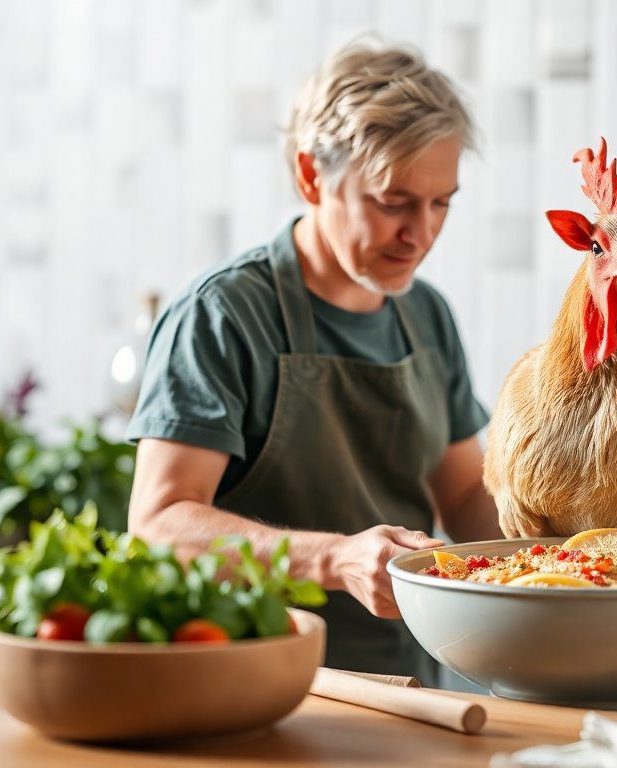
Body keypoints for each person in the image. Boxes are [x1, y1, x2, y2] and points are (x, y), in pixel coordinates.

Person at [126, 37, 501, 679]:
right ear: (310, 176)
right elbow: (159, 523)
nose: (421, 233)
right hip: (249, 680)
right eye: (393, 202)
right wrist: (333, 559)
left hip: (409, 683)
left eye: (441, 203)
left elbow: (464, 492)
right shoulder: (224, 314)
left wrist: (571, 550)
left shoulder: (427, 314)